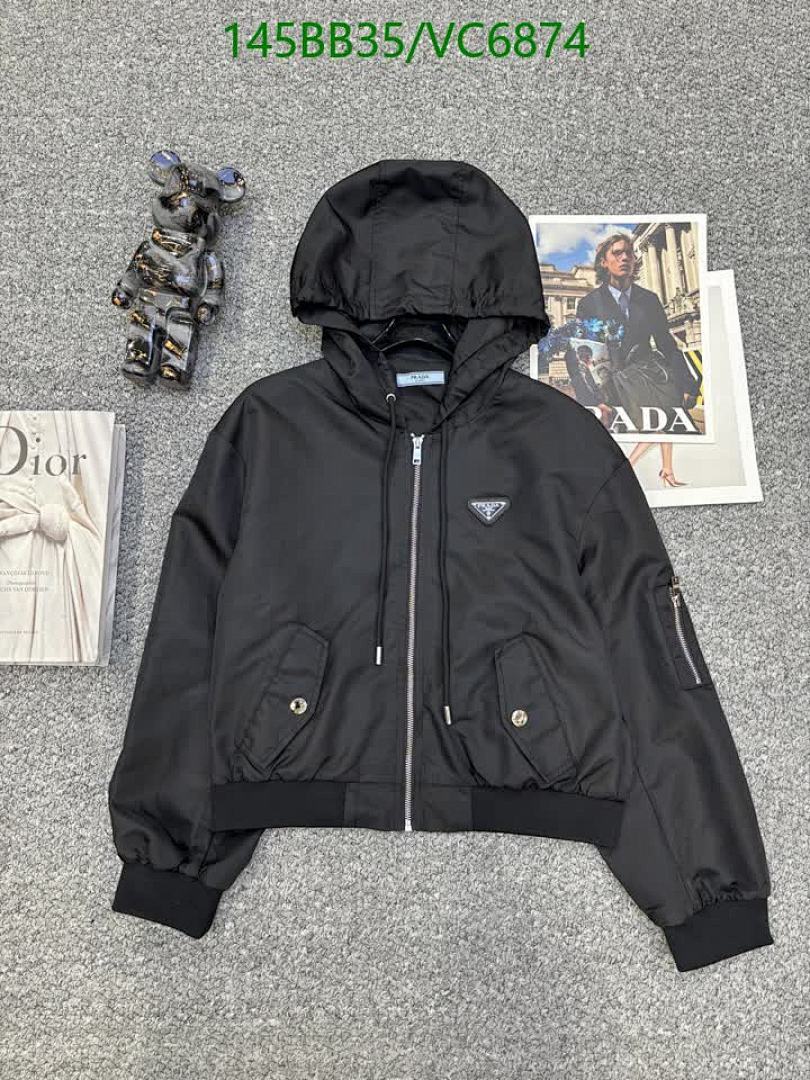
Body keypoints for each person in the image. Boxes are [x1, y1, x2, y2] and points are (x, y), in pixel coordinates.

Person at [578, 233, 701, 486]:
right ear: (603, 262)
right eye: (617, 253)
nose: (625, 257)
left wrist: (688, 384)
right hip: (613, 390)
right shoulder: (589, 304)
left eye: (629, 253)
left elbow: (667, 345)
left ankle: (667, 472)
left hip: (652, 379)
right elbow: (583, 356)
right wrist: (593, 399)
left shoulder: (649, 299)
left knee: (679, 435)